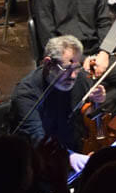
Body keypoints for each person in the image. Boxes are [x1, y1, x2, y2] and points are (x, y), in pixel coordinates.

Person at [10, 34, 105, 175]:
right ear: (48, 64)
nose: (73, 75)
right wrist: (69, 156)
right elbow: (37, 137)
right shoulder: (25, 94)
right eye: (67, 69)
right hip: (37, 164)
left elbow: (89, 113)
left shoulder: (78, 79)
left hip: (74, 151)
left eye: (76, 68)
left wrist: (98, 100)